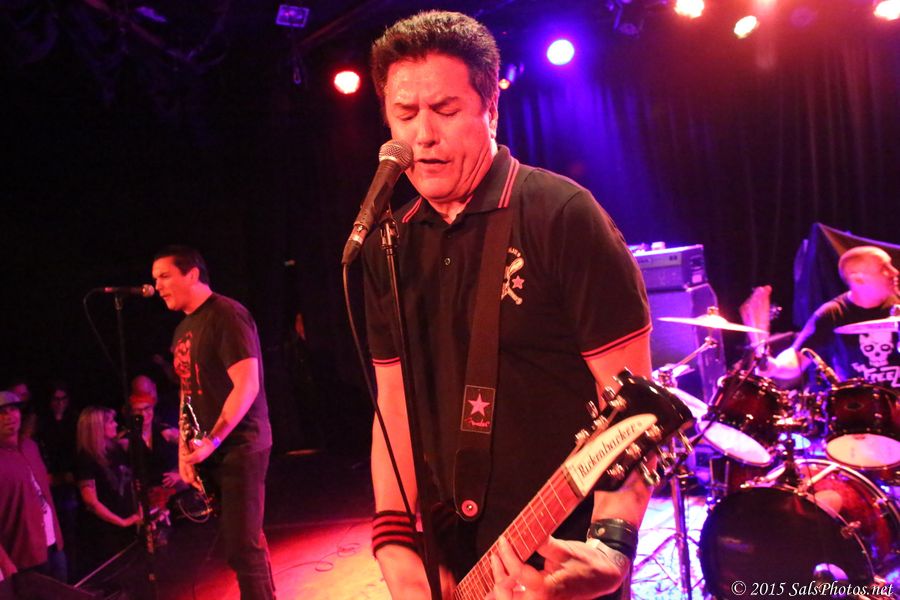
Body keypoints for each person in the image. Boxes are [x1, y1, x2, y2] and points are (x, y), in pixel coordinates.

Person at [362, 11, 653, 599]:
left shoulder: (561, 215)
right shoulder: (387, 244)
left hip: (556, 553)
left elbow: (635, 413)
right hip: (453, 562)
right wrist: (393, 540)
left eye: (445, 110)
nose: (423, 135)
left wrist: (611, 550)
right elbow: (393, 404)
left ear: (490, 108)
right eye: (405, 114)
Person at [151, 245, 275, 600]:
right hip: (210, 450)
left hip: (241, 445)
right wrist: (184, 451)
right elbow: (186, 393)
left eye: (164, 276)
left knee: (241, 547)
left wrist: (214, 440)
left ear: (192, 274)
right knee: (245, 542)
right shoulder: (181, 330)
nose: (157, 286)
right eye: (155, 279)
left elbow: (247, 384)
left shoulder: (227, 315)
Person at [741, 245, 900, 389]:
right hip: (857, 404)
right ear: (857, 278)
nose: (895, 272)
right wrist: (774, 366)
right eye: (884, 268)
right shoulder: (834, 313)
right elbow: (798, 357)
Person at [0, 391, 67, 583]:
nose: (9, 416)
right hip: (24, 555)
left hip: (53, 543)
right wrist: (4, 562)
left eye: (13, 409)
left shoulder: (30, 446)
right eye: (2, 412)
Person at [75, 406, 140, 573]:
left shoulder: (115, 449)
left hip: (129, 522)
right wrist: (121, 522)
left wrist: (138, 512)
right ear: (97, 428)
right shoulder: (86, 458)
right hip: (108, 531)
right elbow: (91, 501)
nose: (116, 424)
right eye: (111, 422)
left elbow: (131, 482)